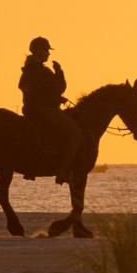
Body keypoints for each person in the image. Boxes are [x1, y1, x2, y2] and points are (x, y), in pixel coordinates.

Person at [19, 36, 82, 184]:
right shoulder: (41, 71)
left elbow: (36, 91)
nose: (48, 54)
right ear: (39, 51)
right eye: (46, 50)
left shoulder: (28, 70)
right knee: (75, 134)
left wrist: (56, 98)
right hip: (44, 111)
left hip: (31, 109)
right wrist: (59, 71)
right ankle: (63, 172)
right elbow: (59, 87)